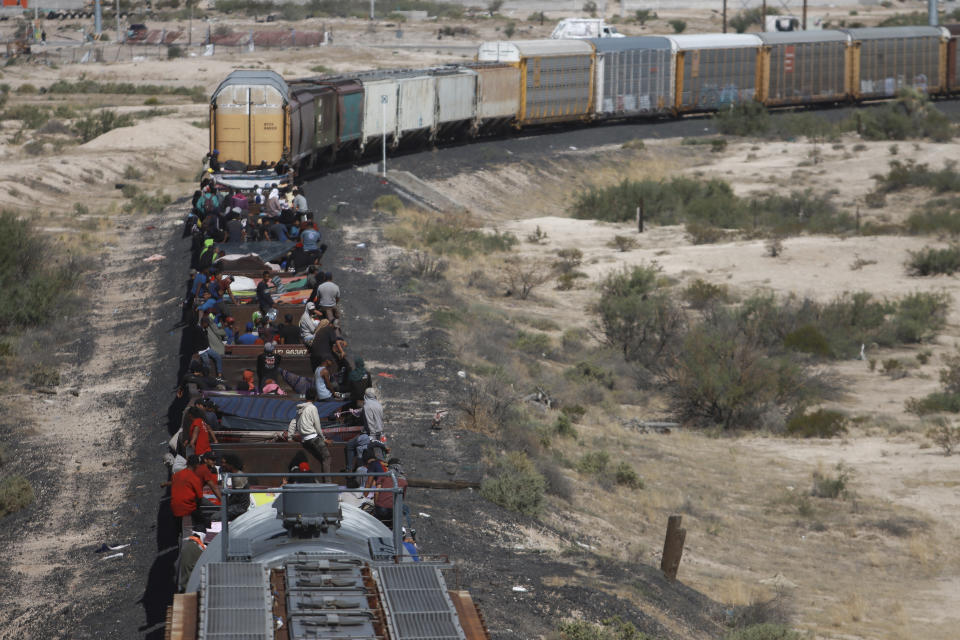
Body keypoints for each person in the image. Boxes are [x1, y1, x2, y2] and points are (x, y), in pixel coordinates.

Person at [286, 387, 331, 473]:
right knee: (327, 457)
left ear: (306, 397)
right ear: (315, 397)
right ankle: (327, 483)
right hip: (314, 438)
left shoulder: (300, 409)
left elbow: (293, 423)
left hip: (305, 440)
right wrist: (324, 439)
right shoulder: (313, 408)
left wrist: (289, 437)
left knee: (319, 457)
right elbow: (317, 426)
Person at [170, 454, 217, 531]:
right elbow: (199, 497)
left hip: (174, 508)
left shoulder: (176, 475)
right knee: (203, 522)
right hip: (187, 509)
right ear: (197, 465)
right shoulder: (194, 477)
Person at [221, 454, 250, 520]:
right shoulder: (234, 475)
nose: (223, 465)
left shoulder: (238, 477)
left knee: (215, 517)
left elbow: (237, 497)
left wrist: (226, 505)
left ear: (231, 465)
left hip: (239, 507)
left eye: (225, 463)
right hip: (236, 506)